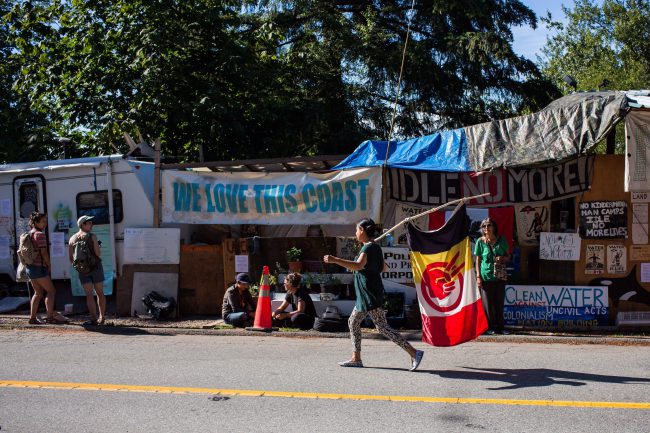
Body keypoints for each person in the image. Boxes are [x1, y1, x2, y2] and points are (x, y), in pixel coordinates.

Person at [324, 218, 424, 371]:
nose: (355, 233)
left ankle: (414, 352)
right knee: (353, 322)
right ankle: (356, 358)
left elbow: (358, 266)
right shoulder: (373, 248)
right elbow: (384, 268)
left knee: (383, 328)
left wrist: (335, 260)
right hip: (367, 294)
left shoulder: (369, 249)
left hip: (369, 295)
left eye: (356, 230)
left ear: (362, 231)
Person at [26, 212, 64, 325]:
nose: (45, 223)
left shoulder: (29, 234)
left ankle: (32, 318)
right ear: (36, 222)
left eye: (46, 220)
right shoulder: (40, 235)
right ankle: (49, 317)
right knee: (51, 291)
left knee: (37, 293)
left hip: (30, 268)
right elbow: (44, 253)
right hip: (39, 268)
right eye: (43, 221)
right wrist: (49, 265)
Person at [474, 217, 511, 335]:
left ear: (494, 227)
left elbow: (508, 256)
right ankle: (489, 328)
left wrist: (503, 258)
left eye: (489, 225)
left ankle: (501, 328)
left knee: (499, 303)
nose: (486, 228)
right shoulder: (480, 241)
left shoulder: (501, 240)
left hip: (499, 276)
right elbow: (478, 260)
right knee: (488, 305)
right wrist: (478, 277)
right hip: (486, 277)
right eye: (484, 226)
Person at [68, 215, 106, 325]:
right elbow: (98, 254)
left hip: (83, 270)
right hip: (96, 267)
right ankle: (102, 317)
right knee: (100, 293)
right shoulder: (92, 236)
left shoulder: (72, 239)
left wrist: (80, 267)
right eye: (89, 223)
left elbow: (71, 258)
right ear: (82, 224)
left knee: (89, 294)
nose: (91, 224)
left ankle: (93, 318)